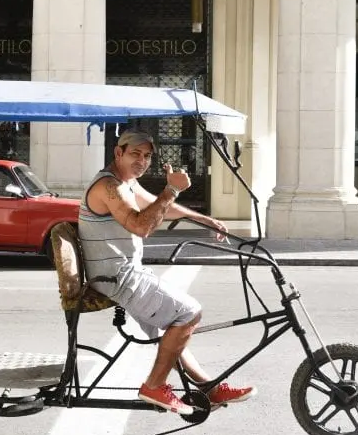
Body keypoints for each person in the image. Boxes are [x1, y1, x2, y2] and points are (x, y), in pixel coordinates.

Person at [78, 129, 256, 416]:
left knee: (175, 322)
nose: (142, 161)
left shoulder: (126, 182)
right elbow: (141, 225)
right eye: (135, 154)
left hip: (123, 274)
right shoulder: (108, 187)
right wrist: (171, 188)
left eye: (147, 156)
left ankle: (207, 387)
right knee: (189, 313)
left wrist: (201, 218)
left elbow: (159, 207)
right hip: (117, 278)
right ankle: (155, 385)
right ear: (118, 152)